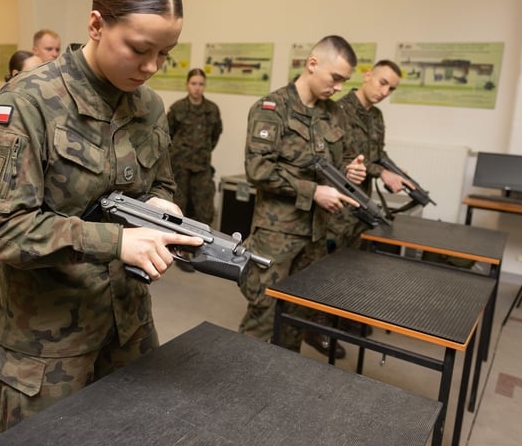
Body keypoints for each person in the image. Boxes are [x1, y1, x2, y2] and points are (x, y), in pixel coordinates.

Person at [0, 0, 201, 432]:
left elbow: (160, 183)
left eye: (165, 54)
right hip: (47, 347)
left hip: (128, 329)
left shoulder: (149, 106)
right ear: (95, 25)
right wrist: (114, 242)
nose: (151, 68)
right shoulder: (27, 101)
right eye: (139, 49)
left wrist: (161, 208)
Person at [238, 35, 366, 359]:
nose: (338, 87)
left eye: (344, 81)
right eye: (335, 78)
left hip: (316, 235)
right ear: (312, 64)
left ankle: (280, 384)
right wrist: (313, 191)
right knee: (263, 315)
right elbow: (258, 168)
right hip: (277, 235)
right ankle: (237, 390)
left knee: (297, 316)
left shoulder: (334, 113)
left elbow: (340, 159)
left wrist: (350, 171)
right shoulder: (272, 108)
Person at [0, 49, 44, 354]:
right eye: (33, 72)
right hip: (8, 200)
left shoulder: (42, 107)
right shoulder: (3, 107)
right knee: (0, 268)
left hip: (36, 200)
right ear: (15, 75)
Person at [327, 60, 407, 252]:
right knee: (329, 265)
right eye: (383, 83)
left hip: (362, 204)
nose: (385, 92)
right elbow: (341, 157)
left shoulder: (376, 115)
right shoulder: (338, 111)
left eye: (391, 89)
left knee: (355, 263)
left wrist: (394, 172)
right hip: (338, 205)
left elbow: (377, 153)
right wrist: (382, 173)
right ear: (368, 76)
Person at [166, 68, 222, 232]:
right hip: (179, 167)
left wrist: (202, 152)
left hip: (202, 167)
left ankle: (199, 246)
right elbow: (168, 134)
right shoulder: (177, 108)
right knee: (177, 208)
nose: (197, 87)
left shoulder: (212, 109)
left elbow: (215, 135)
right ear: (187, 85)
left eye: (201, 84)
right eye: (193, 83)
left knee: (204, 211)